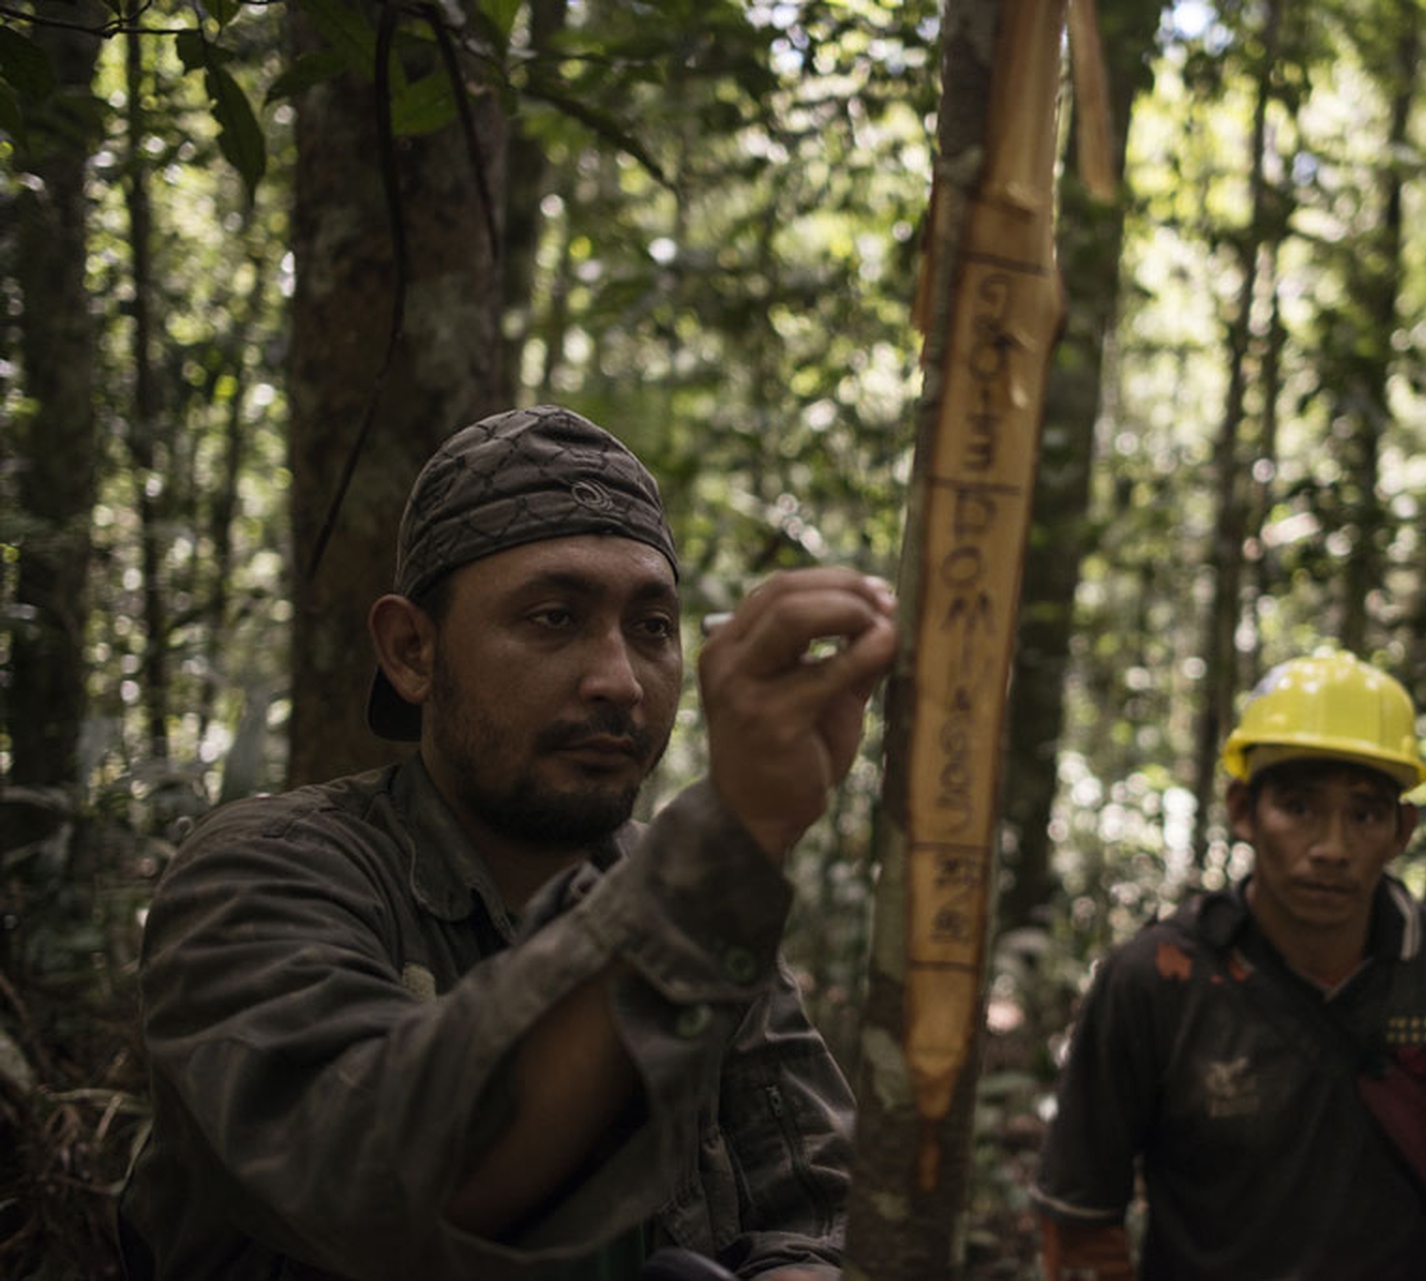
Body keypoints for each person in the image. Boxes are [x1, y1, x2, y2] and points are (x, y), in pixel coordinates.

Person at [118, 405, 898, 1280]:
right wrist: (727, 845)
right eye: (553, 618)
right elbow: (383, 1183)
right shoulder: (263, 871)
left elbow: (823, 1205)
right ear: (413, 649)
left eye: (651, 627)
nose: (618, 681)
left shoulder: (676, 892)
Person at [1032, 651, 1426, 1281]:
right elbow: (1083, 1223)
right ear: (1243, 810)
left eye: (1364, 814)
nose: (1331, 848)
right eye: (1299, 808)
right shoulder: (1155, 979)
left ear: (1402, 829)